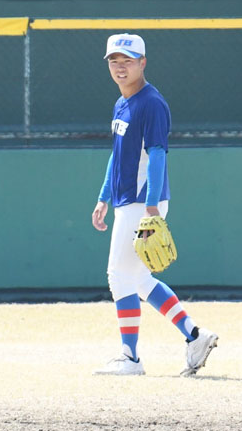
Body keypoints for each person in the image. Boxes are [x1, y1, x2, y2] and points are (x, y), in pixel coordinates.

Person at [91, 33, 218, 376]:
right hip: (126, 201)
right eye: (114, 61)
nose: (120, 67)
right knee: (139, 279)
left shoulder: (152, 103)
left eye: (128, 61)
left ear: (142, 63)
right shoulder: (122, 103)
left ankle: (130, 357)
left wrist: (149, 206)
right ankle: (195, 335)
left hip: (141, 203)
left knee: (118, 277)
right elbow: (117, 156)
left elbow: (159, 155)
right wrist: (103, 196)